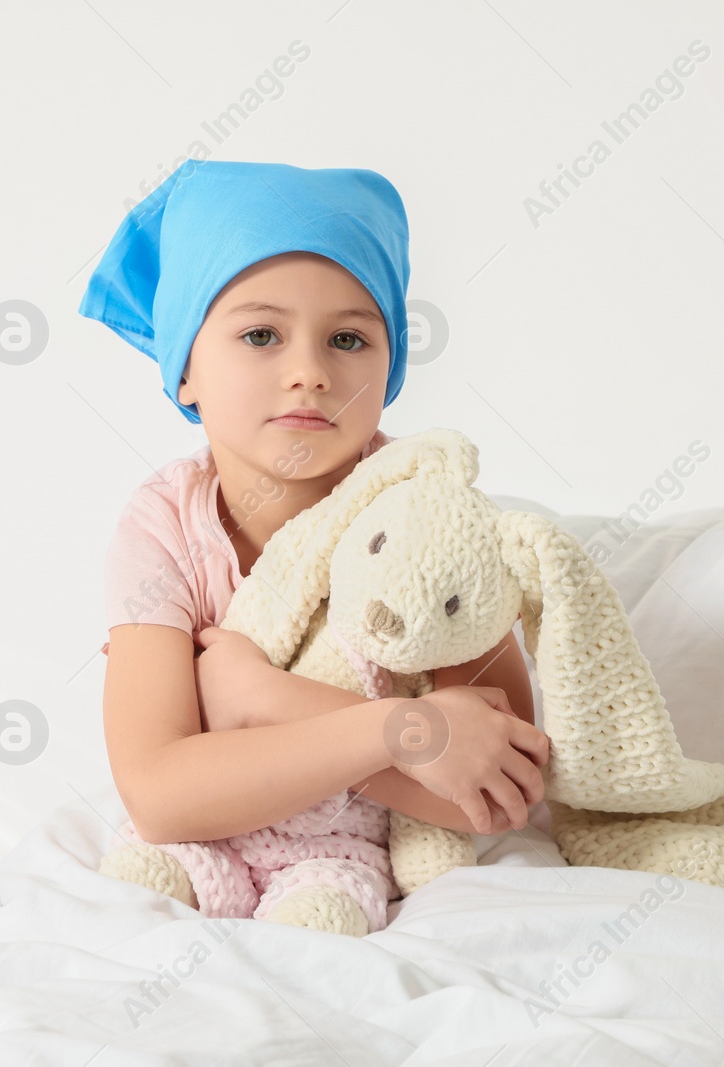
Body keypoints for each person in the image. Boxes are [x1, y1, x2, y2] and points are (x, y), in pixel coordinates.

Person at [81, 160, 550, 875]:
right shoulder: (163, 531)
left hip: (365, 869)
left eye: (348, 339)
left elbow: (494, 788)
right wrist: (406, 731)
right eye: (261, 336)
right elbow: (160, 795)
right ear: (185, 371)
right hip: (224, 867)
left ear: (390, 368)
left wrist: (262, 700)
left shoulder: (423, 514)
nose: (310, 372)